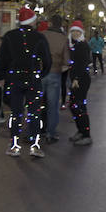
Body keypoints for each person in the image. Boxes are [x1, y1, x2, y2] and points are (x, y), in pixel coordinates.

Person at [0, 6, 51, 158]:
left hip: (14, 79)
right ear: (32, 22)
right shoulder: (40, 38)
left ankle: (14, 145)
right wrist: (41, 74)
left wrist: (0, 77)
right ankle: (35, 145)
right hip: (33, 79)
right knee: (34, 114)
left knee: (16, 113)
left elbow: (2, 60)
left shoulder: (9, 36)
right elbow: (47, 61)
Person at [41, 14, 69, 144]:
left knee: (36, 103)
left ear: (50, 23)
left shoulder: (42, 35)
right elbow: (67, 61)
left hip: (40, 73)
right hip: (54, 73)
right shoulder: (63, 39)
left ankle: (34, 131)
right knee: (53, 106)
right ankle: (50, 133)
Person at [68, 20, 92, 145]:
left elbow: (83, 63)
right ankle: (81, 131)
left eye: (78, 31)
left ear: (81, 32)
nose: (75, 33)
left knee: (79, 107)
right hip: (75, 80)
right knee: (73, 106)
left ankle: (86, 134)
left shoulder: (82, 45)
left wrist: (76, 78)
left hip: (81, 80)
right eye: (73, 31)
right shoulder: (74, 45)